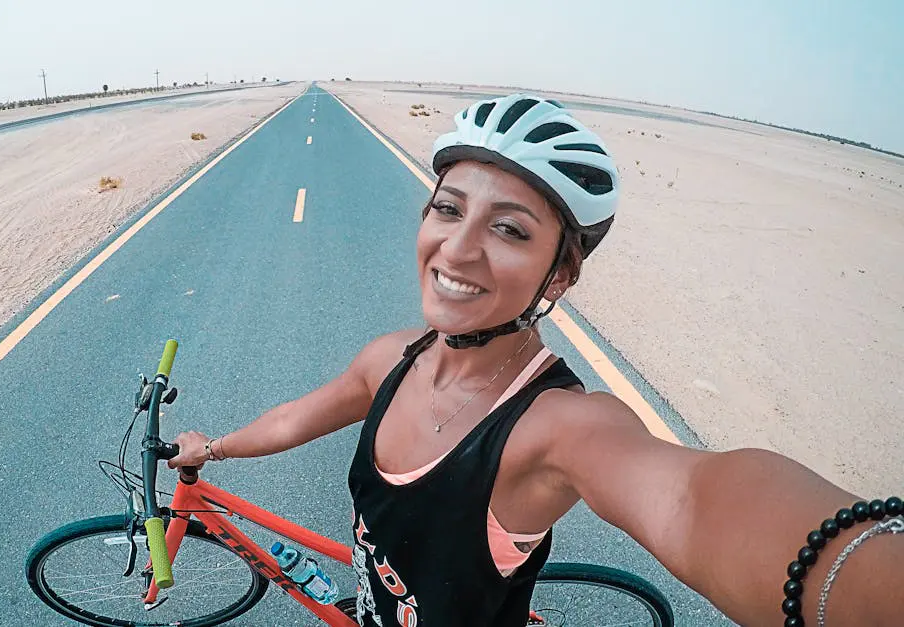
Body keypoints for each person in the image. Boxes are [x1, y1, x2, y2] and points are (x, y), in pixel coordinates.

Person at [168, 94, 903, 626]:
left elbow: (694, 500)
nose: (457, 249)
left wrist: (871, 572)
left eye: (510, 229)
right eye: (449, 208)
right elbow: (303, 411)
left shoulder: (556, 426)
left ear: (557, 276)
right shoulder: (389, 359)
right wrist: (216, 446)